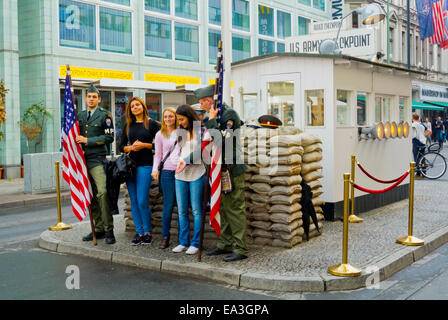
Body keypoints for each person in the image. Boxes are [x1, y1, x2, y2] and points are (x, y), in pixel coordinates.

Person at [194, 85, 249, 262]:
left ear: (209, 100)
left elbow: (222, 141)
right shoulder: (216, 114)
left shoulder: (228, 115)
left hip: (231, 168)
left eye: (201, 102)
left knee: (234, 209)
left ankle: (240, 248)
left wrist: (210, 122)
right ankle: (225, 243)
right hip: (220, 168)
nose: (200, 105)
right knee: (224, 208)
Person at [77, 84, 115, 244]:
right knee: (90, 195)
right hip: (82, 160)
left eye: (94, 97)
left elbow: (109, 138)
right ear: (85, 98)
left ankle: (109, 230)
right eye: (89, 96)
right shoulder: (80, 115)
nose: (91, 99)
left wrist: (88, 141)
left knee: (102, 193)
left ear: (99, 99)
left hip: (97, 160)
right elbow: (74, 135)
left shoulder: (105, 115)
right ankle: (98, 229)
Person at [120, 97, 160, 246]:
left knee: (143, 200)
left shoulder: (152, 124)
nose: (135, 108)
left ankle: (148, 232)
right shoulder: (128, 126)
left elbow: (159, 145)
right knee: (134, 200)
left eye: (137, 105)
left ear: (143, 107)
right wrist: (130, 148)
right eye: (132, 106)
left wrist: (144, 145)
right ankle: (139, 232)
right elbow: (121, 146)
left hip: (146, 165)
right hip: (130, 167)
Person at [172, 105, 207, 255]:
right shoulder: (180, 131)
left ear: (189, 116)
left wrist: (186, 160)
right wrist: (177, 162)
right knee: (181, 210)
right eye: (178, 119)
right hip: (180, 174)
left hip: (197, 173)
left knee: (197, 211)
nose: (180, 122)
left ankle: (196, 243)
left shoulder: (202, 130)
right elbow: (177, 150)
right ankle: (183, 242)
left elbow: (203, 153)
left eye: (182, 119)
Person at [151, 107, 179, 249]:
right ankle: (165, 236)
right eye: (165, 116)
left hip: (182, 172)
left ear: (176, 117)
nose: (168, 119)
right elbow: (158, 155)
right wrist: (155, 169)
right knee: (168, 205)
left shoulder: (183, 132)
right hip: (167, 172)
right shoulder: (159, 134)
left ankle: (183, 238)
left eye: (171, 116)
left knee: (182, 205)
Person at [411, 113, 429, 177]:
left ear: (412, 118)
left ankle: (418, 173)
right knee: (422, 158)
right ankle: (424, 172)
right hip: (422, 142)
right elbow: (428, 131)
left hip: (416, 142)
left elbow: (413, 135)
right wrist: (422, 136)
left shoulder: (413, 125)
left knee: (416, 158)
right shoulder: (421, 124)